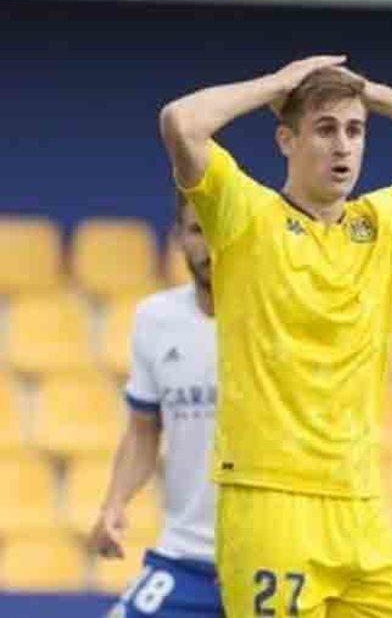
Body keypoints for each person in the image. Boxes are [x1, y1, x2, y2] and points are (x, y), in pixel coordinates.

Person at [158, 56, 392, 616]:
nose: (343, 146)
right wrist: (277, 85)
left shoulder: (382, 223)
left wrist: (374, 95)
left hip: (359, 504)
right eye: (325, 129)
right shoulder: (243, 215)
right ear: (286, 140)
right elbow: (181, 121)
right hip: (271, 498)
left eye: (355, 130)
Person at [91, 195, 223, 617]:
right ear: (178, 239)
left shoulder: (280, 319)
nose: (210, 246)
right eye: (198, 231)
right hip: (185, 556)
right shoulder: (155, 319)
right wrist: (114, 504)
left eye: (221, 229)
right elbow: (144, 430)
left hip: (273, 558)